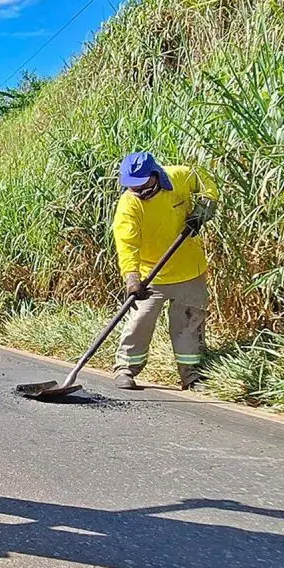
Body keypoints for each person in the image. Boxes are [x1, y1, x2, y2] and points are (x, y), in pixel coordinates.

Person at [111, 152, 218, 391]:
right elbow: (127, 245)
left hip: (190, 270)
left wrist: (206, 204)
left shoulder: (179, 176)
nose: (136, 190)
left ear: (155, 175)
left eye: (140, 184)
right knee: (139, 321)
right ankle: (126, 368)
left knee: (189, 325)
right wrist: (132, 278)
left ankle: (192, 376)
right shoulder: (129, 204)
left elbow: (205, 182)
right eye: (131, 185)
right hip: (153, 275)